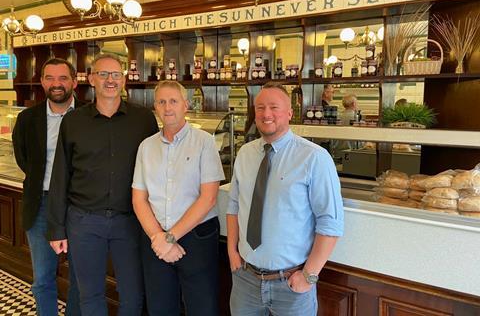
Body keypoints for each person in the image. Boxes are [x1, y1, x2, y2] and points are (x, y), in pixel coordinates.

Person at [46, 53, 159, 316]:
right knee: (90, 295)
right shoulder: (73, 121)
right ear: (91, 79)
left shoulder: (143, 120)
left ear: (124, 80)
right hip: (84, 221)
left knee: (133, 296)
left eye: (116, 75)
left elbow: (157, 168)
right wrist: (56, 228)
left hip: (130, 221)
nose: (110, 80)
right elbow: (61, 175)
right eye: (104, 74)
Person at [227, 82, 344, 316]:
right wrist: (232, 252)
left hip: (291, 282)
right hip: (245, 280)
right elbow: (234, 205)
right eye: (260, 108)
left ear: (290, 113)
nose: (266, 114)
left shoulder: (314, 157)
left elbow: (330, 222)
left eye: (274, 107)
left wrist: (309, 276)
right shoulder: (245, 153)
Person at [132, 80, 224, 316]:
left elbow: (208, 198)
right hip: (155, 239)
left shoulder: (204, 142)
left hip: (196, 237)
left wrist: (170, 238)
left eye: (173, 101)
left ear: (186, 105)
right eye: (162, 102)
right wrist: (158, 237)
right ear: (155, 107)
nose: (168, 107)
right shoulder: (146, 147)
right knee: (160, 307)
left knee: (202, 307)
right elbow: (139, 199)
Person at [12, 58, 82, 316]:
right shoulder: (28, 119)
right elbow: (23, 158)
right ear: (42, 82)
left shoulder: (90, 115)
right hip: (40, 204)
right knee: (42, 277)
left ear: (74, 82)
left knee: (80, 278)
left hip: (80, 206)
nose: (57, 84)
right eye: (50, 78)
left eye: (63, 78)